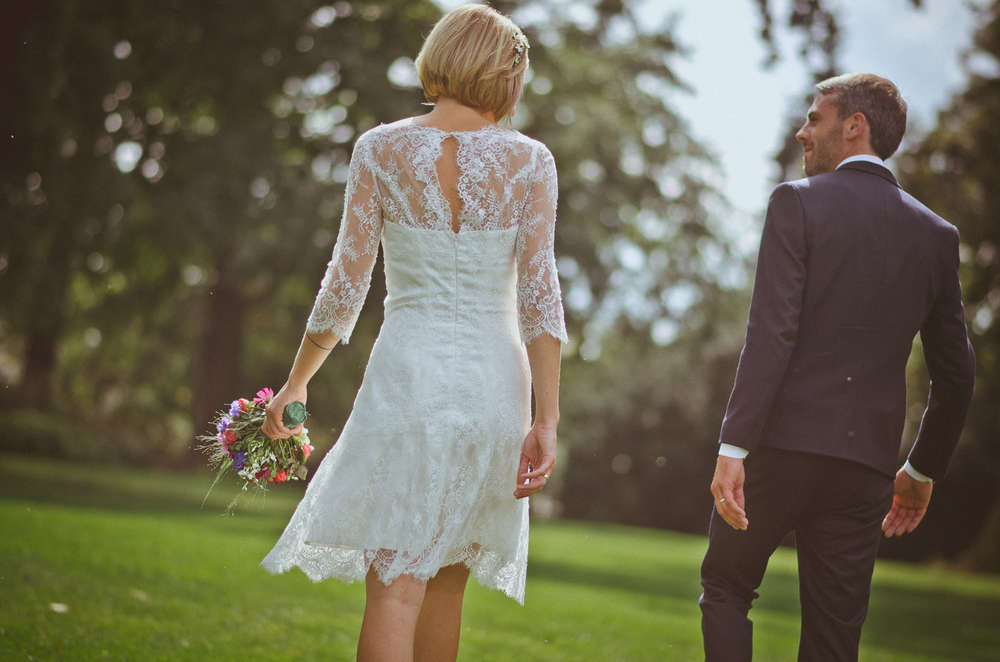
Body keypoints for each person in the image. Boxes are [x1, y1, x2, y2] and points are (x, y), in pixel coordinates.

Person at [258, 6, 567, 662]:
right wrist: (549, 416)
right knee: (448, 586)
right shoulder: (532, 162)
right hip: (494, 387)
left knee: (394, 587)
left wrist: (296, 384)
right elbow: (541, 299)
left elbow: (345, 285)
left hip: (408, 376)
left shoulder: (381, 149)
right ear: (508, 76)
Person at [699, 73, 975, 662]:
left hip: (778, 450)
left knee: (726, 587)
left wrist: (734, 446)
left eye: (814, 118)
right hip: (864, 472)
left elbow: (771, 335)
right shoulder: (936, 235)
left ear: (855, 126)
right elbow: (956, 377)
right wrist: (921, 471)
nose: (802, 132)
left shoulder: (795, 202)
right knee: (833, 637)